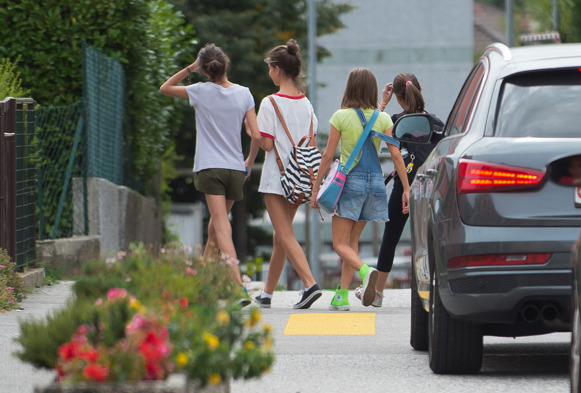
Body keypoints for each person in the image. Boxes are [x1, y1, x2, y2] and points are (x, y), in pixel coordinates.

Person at [160, 43, 259, 300]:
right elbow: (257, 135)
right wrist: (248, 161)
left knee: (221, 228)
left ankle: (237, 286)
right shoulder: (245, 93)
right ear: (226, 64)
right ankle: (202, 282)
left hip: (210, 168)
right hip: (236, 169)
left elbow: (165, 88)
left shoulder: (200, 91)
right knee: (215, 228)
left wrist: (190, 67)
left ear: (205, 71)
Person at [309, 68, 410, 311]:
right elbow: (396, 155)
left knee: (339, 244)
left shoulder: (340, 116)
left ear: (350, 88)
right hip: (375, 185)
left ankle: (366, 272)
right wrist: (406, 189)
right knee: (351, 241)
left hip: (350, 184)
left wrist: (315, 189)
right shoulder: (383, 118)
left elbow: (327, 156)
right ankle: (341, 296)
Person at [355, 73, 443, 308]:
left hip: (404, 187)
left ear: (398, 97)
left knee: (390, 239)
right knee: (431, 240)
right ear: (419, 90)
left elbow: (367, 130)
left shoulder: (394, 121)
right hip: (429, 185)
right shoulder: (436, 124)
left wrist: (381, 104)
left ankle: (378, 294)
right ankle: (438, 289)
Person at [253, 39, 322, 310]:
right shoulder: (307, 105)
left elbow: (268, 144)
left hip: (275, 178)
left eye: (270, 68)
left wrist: (253, 133)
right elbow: (312, 143)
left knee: (284, 234)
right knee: (280, 235)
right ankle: (267, 293)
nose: (269, 73)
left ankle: (309, 284)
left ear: (277, 69)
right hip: (300, 178)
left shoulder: (269, 103)